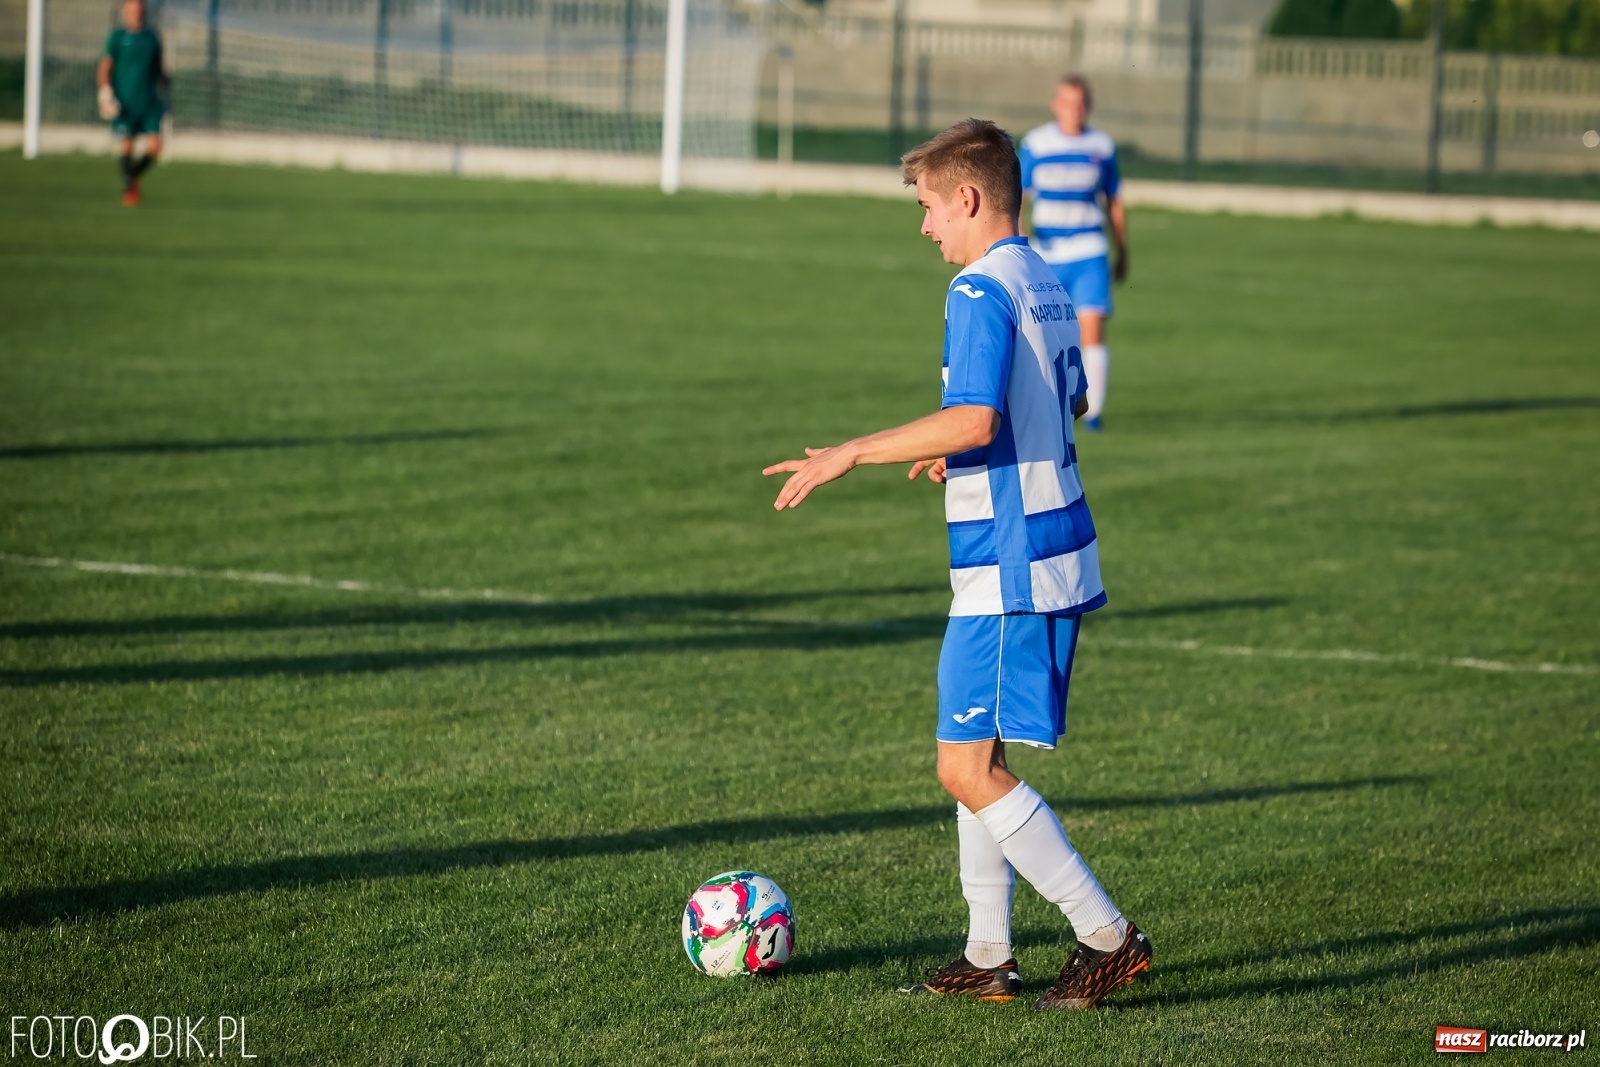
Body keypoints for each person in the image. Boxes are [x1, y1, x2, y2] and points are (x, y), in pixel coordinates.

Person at [763, 118, 1150, 1010]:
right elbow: (1066, 394)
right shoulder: (1044, 278)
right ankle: (987, 955)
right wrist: (968, 448)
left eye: (931, 207)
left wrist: (850, 450)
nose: (927, 226)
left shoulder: (978, 290)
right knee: (978, 750)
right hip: (1039, 545)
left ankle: (1106, 935)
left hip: (1013, 560)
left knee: (963, 767)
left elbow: (977, 416)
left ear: (969, 198)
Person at [1020, 75, 1127, 432]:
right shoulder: (1037, 143)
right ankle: (1046, 404)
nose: (1073, 110)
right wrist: (1019, 240)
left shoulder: (1101, 146)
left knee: (1092, 329)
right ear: (1056, 105)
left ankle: (1094, 412)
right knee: (1045, 333)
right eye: (1067, 102)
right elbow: (1019, 196)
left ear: (1089, 106)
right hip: (1046, 253)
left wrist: (1122, 249)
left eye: (1080, 103)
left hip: (1089, 249)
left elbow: (1114, 201)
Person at [97, 0, 169, 207]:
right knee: (127, 145)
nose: (136, 13)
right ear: (126, 11)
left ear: (144, 11)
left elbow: (159, 69)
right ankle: (130, 191)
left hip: (149, 102)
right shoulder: (118, 38)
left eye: (139, 9)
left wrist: (166, 82)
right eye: (132, 9)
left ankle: (131, 177)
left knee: (155, 146)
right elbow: (105, 67)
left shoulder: (152, 38)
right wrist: (105, 93)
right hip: (125, 102)